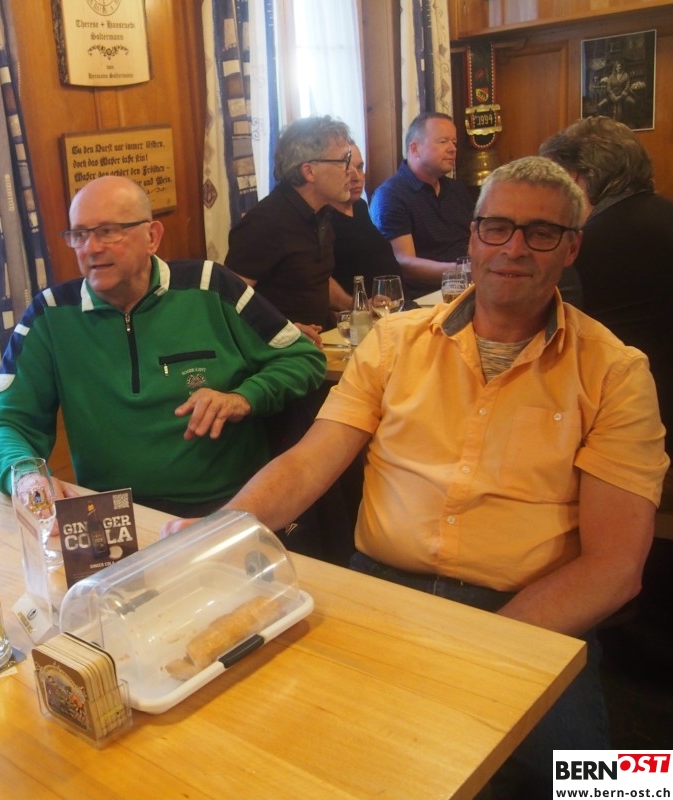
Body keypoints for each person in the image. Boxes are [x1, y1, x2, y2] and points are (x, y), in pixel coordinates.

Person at [166, 156, 668, 796]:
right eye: (497, 227)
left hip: (529, 614)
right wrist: (213, 532)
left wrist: (479, 646)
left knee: (611, 787)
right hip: (381, 591)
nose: (514, 248)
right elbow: (307, 463)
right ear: (472, 238)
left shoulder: (617, 372)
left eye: (541, 233)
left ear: (571, 248)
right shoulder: (393, 341)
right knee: (306, 761)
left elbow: (615, 568)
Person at [0, 175, 325, 518]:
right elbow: (6, 424)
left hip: (226, 508)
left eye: (108, 231)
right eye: (80, 235)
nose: (91, 248)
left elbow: (304, 358)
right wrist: (26, 477)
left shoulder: (212, 286)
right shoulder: (50, 315)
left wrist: (243, 398)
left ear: (152, 237)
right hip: (111, 516)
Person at [539, 115, 673, 455]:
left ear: (573, 179)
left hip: (628, 428)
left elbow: (545, 351)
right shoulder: (665, 214)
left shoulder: (577, 249)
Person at [224, 115, 353, 335]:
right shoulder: (265, 222)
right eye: (344, 161)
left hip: (322, 340)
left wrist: (356, 307)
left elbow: (315, 279)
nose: (351, 170)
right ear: (309, 171)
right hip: (278, 350)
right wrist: (282, 331)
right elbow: (228, 304)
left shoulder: (321, 212)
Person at [370, 111, 474, 300]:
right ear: (415, 148)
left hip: (467, 287)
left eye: (454, 142)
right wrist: (461, 271)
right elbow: (404, 263)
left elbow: (473, 239)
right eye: (443, 141)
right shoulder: (391, 195)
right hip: (423, 298)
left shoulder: (456, 189)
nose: (452, 149)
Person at [329, 143, 402, 306]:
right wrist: (359, 306)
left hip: (394, 304)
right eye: (347, 170)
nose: (357, 177)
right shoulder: (322, 217)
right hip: (360, 312)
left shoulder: (359, 206)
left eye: (360, 167)